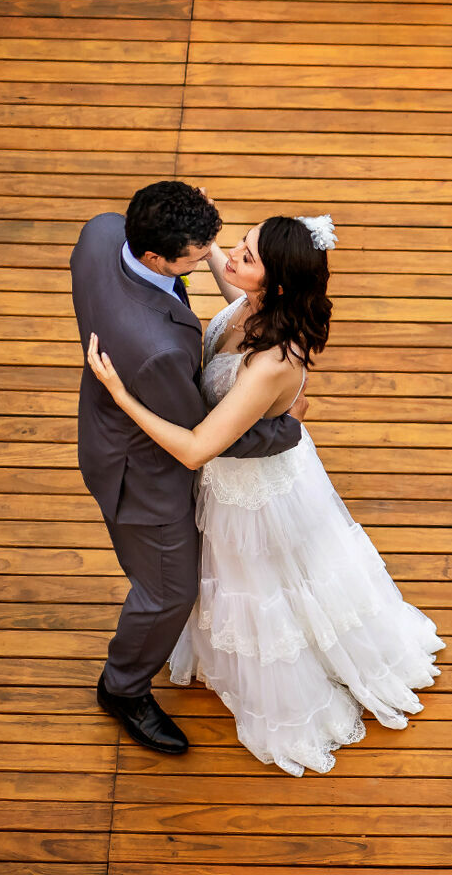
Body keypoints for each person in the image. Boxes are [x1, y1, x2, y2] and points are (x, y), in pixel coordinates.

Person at [84, 208, 445, 776]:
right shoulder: (256, 302)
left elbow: (199, 448)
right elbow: (231, 280)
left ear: (274, 283)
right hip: (247, 463)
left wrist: (120, 393)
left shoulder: (273, 363)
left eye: (246, 256)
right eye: (241, 243)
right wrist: (201, 242)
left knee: (262, 584)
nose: (232, 257)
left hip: (246, 487)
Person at [72, 181, 306, 756]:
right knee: (167, 592)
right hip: (144, 473)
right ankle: (122, 687)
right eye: (199, 253)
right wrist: (286, 427)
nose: (215, 258)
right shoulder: (159, 349)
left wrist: (193, 220)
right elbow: (203, 438)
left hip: (102, 426)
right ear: (157, 257)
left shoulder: (103, 231)